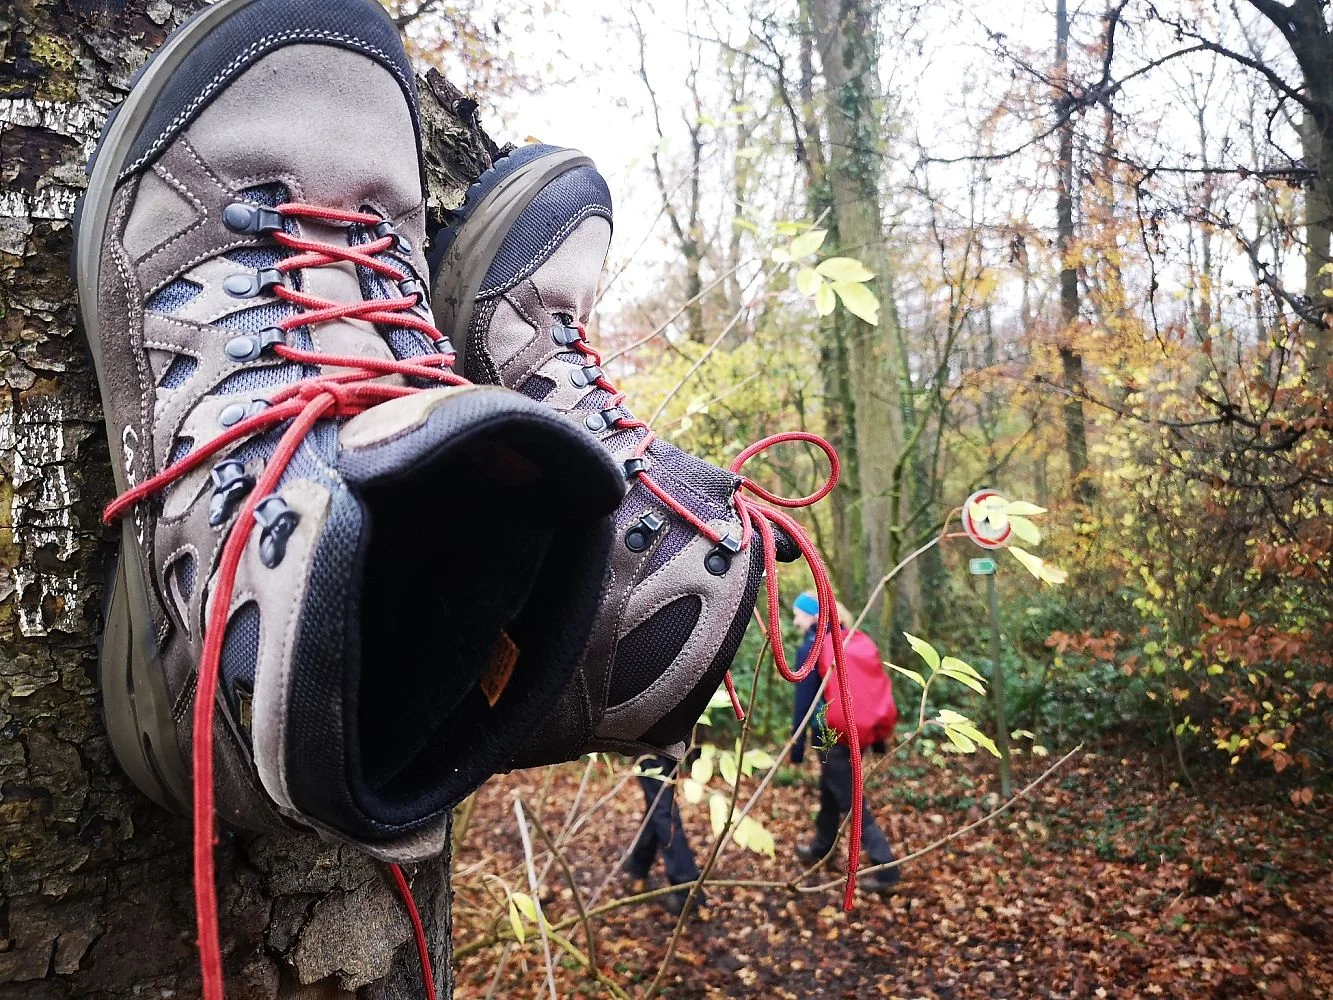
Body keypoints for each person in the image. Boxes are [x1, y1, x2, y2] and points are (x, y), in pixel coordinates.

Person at [788, 592, 903, 892]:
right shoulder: (851, 639)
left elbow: (805, 702)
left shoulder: (813, 648)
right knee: (831, 790)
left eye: (798, 613)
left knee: (851, 802)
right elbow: (874, 689)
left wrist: (796, 747)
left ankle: (886, 868)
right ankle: (821, 849)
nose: (794, 619)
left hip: (830, 736)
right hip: (854, 732)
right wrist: (878, 738)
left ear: (814, 616)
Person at [622, 753, 706, 916]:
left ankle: (687, 891)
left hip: (655, 743)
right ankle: (638, 868)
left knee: (662, 809)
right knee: (658, 805)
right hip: (662, 741)